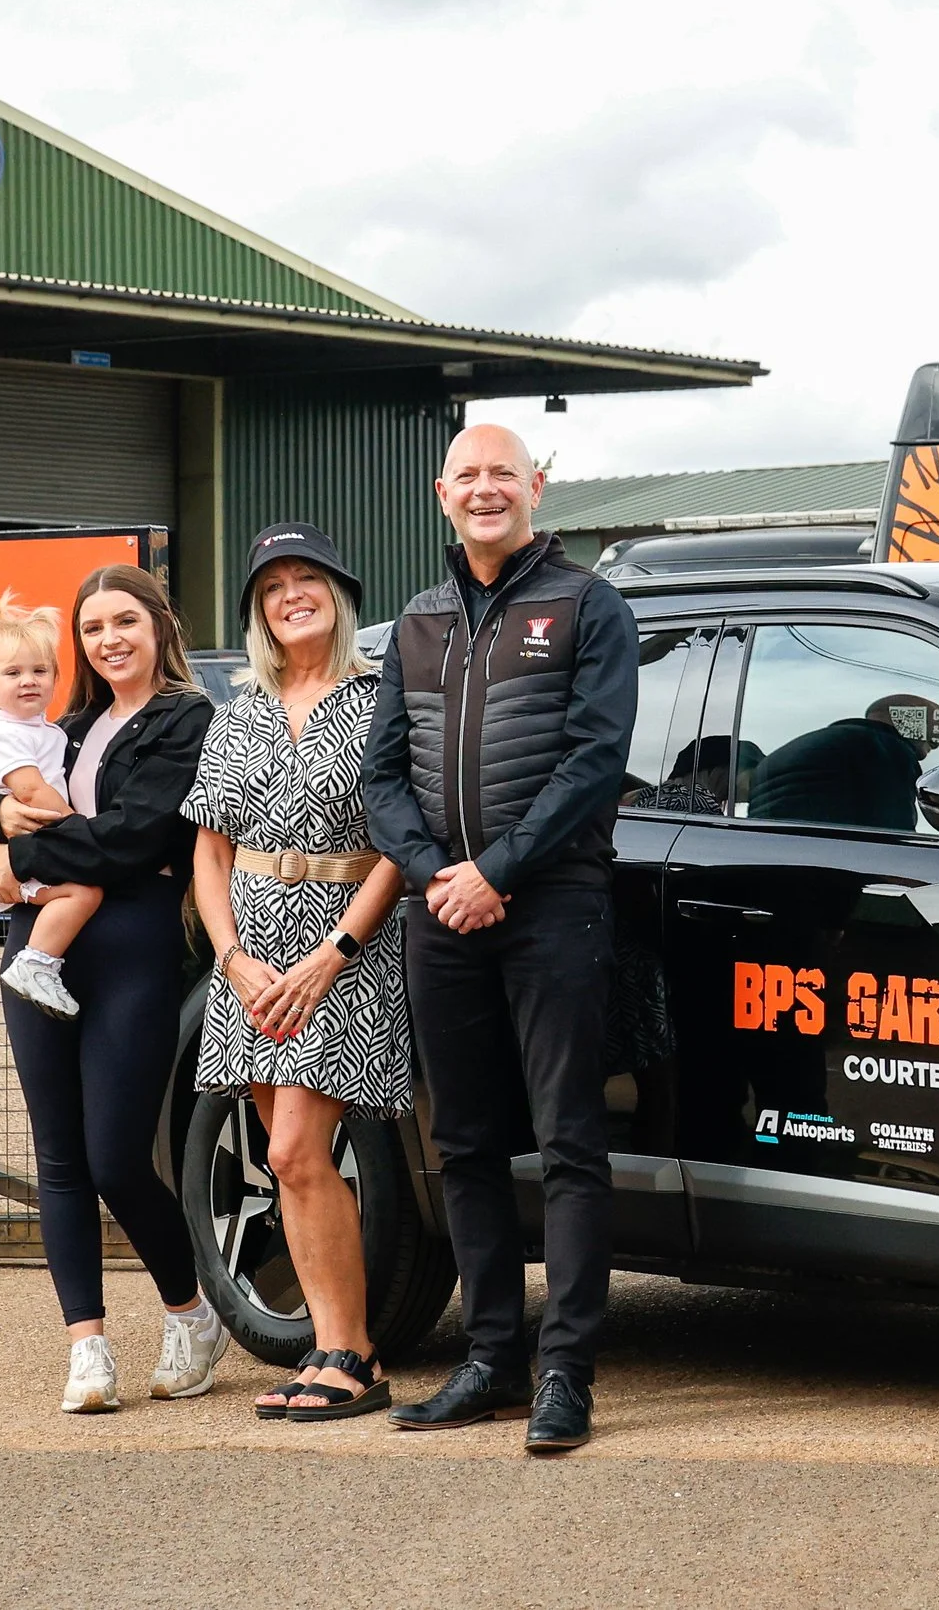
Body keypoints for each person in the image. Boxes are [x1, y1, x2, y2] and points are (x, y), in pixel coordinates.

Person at [364, 423, 637, 1453]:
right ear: (443, 494)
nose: (486, 491)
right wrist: (440, 876)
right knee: (466, 1144)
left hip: (551, 905)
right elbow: (381, 774)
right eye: (467, 476)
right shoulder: (419, 623)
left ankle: (566, 1373)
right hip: (443, 915)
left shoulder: (587, 605)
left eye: (502, 475)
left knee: (567, 1140)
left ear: (536, 485)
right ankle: (489, 1360)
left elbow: (594, 759)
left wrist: (499, 870)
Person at [0, 563, 226, 1415]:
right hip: (37, 947)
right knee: (60, 1159)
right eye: (93, 627)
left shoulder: (188, 721)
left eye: (125, 621)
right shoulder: (66, 722)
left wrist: (20, 855)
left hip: (135, 950)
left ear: (158, 625)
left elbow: (136, 836)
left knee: (115, 1155)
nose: (109, 639)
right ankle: (89, 1348)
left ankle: (191, 1312)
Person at [184, 523, 413, 1422]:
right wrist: (232, 959)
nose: (290, 594)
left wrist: (335, 952)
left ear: (339, 595)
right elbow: (209, 848)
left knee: (292, 1150)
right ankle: (332, 1348)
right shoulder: (237, 713)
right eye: (273, 585)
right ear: (258, 613)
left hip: (341, 945)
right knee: (297, 1161)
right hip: (252, 955)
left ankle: (351, 1351)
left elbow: (398, 846)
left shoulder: (378, 701)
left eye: (306, 578)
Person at [0, 591, 104, 1019]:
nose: (29, 680)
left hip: (37, 844)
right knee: (83, 892)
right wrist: (79, 826)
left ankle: (40, 962)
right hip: (28, 846)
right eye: (13, 672)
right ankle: (36, 961)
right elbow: (28, 791)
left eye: (40, 670)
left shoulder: (46, 731)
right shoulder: (2, 732)